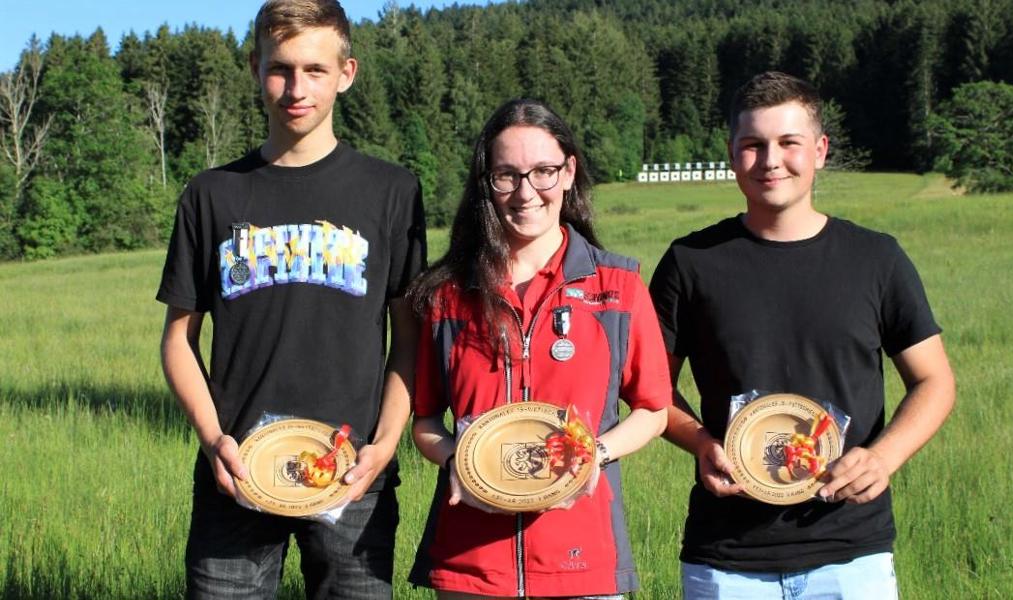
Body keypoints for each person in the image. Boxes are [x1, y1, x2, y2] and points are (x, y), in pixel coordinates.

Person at [649, 71, 956, 599]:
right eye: (753, 144)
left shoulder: (876, 259)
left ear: (820, 150)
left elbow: (934, 381)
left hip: (851, 553)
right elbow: (650, 387)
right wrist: (700, 442)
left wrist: (884, 458)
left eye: (788, 143)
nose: (771, 160)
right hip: (726, 558)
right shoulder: (690, 262)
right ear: (731, 154)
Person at [156, 1, 426, 598]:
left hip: (353, 474)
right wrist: (212, 440)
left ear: (347, 73)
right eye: (280, 68)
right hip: (238, 471)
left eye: (315, 70)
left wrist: (384, 445)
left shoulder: (391, 191)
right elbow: (178, 340)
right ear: (255, 68)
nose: (295, 88)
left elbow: (409, 340)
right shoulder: (211, 195)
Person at [406, 98, 671, 599]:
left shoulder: (618, 287)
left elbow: (654, 409)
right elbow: (424, 423)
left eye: (543, 172)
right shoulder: (448, 295)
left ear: (569, 172)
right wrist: (456, 460)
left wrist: (597, 453)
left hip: (582, 563)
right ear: (487, 182)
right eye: (507, 175)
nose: (526, 192)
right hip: (471, 565)